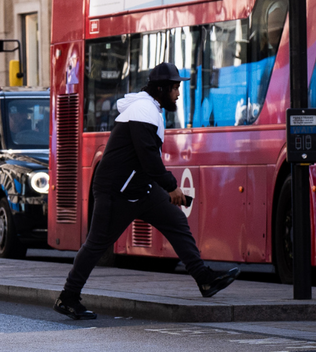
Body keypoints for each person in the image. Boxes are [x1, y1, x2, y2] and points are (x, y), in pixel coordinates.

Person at [53, 62, 240, 320]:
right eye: (174, 88)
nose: (178, 93)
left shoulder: (151, 109)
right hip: (115, 191)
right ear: (161, 89)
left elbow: (146, 162)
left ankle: (204, 279)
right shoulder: (142, 110)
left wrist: (167, 188)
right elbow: (149, 158)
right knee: (96, 244)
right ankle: (68, 297)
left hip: (140, 188)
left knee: (175, 220)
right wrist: (172, 186)